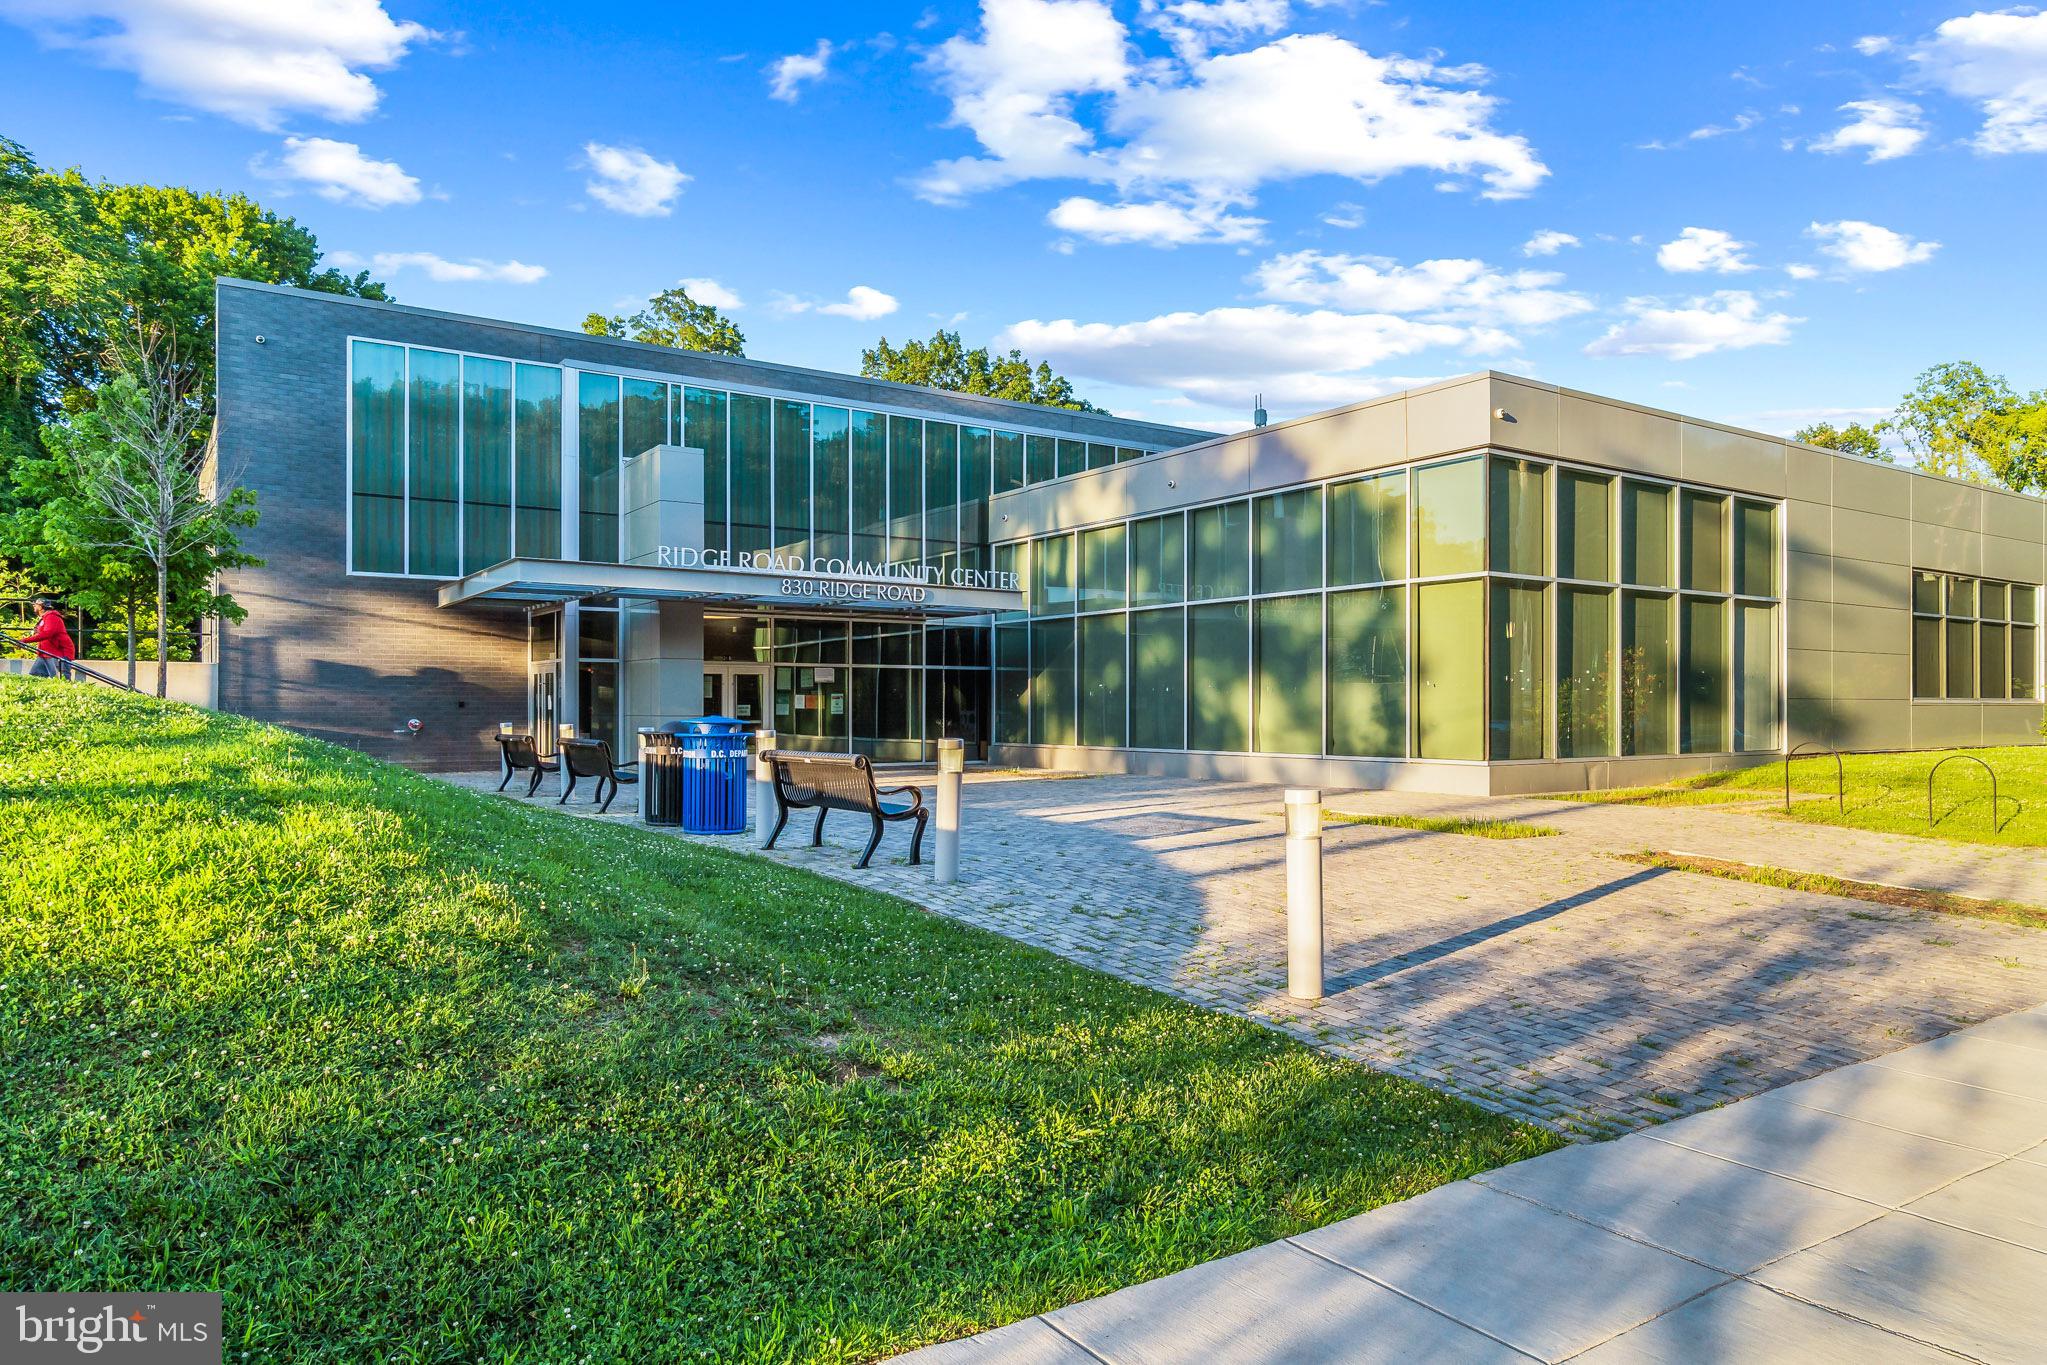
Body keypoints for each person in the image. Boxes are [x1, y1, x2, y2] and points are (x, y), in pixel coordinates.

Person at [19, 597, 75, 680]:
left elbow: (47, 634)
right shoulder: (44, 618)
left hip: (58, 653)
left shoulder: (52, 617)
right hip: (45, 653)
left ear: (41, 607)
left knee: (60, 680)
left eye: (35, 605)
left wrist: (25, 640)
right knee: (35, 677)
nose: (34, 607)